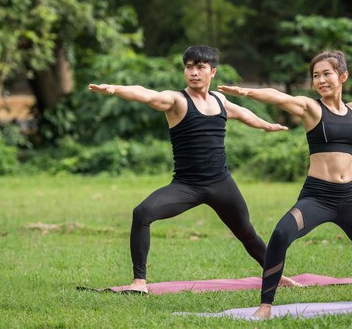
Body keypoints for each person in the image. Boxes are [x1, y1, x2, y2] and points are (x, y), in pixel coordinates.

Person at [218, 50, 352, 318]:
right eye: (315, 75)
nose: (320, 80)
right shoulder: (311, 108)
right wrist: (246, 92)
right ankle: (266, 305)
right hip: (318, 197)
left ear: (342, 76)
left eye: (327, 74)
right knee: (281, 235)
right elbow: (279, 96)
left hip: (350, 199)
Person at [88, 45, 301, 293]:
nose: (194, 72)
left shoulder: (219, 100)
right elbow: (145, 93)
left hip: (221, 184)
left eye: (200, 67)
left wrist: (267, 126)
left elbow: (242, 113)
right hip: (186, 186)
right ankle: (139, 282)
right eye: (189, 67)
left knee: (247, 233)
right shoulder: (177, 100)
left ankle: (278, 276)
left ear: (213, 72)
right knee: (142, 213)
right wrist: (115, 89)